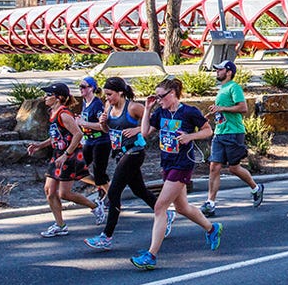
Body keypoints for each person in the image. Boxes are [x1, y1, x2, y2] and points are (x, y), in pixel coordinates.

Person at [131, 77, 222, 270]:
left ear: (172, 94)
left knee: (159, 207)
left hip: (183, 164)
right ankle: (212, 228)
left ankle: (151, 255)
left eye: (160, 96)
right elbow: (145, 132)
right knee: (182, 208)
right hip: (168, 162)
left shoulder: (189, 112)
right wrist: (147, 108)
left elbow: (208, 131)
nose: (158, 100)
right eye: (156, 97)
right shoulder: (160, 112)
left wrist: (190, 136)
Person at [85, 77, 174, 251]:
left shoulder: (133, 107)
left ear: (120, 92)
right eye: (106, 95)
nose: (107, 98)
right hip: (120, 152)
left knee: (114, 191)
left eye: (110, 94)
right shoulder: (108, 107)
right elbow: (106, 130)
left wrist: (137, 130)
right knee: (139, 189)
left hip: (135, 151)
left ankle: (106, 236)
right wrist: (103, 123)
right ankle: (166, 213)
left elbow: (151, 122)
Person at [26, 82, 103, 238]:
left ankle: (95, 206)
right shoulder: (53, 112)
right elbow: (57, 135)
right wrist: (40, 145)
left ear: (59, 98)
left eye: (49, 95)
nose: (45, 97)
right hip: (59, 155)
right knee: (49, 190)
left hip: (70, 155)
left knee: (64, 194)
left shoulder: (63, 113)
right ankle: (60, 225)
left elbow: (78, 134)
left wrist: (66, 155)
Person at [200, 60, 265, 217]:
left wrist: (221, 108)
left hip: (234, 133)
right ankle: (210, 203)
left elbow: (243, 108)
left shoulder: (234, 87)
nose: (217, 72)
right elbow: (222, 111)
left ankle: (256, 188)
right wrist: (210, 116)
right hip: (220, 133)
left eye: (220, 69)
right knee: (214, 166)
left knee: (233, 168)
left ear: (228, 72)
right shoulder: (222, 88)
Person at [75, 76, 110, 219]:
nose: (81, 89)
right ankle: (107, 187)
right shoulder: (85, 102)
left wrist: (83, 123)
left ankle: (111, 194)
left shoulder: (97, 105)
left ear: (91, 88)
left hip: (101, 142)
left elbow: (103, 127)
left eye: (84, 86)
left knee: (99, 172)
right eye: (80, 87)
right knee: (78, 170)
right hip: (88, 141)